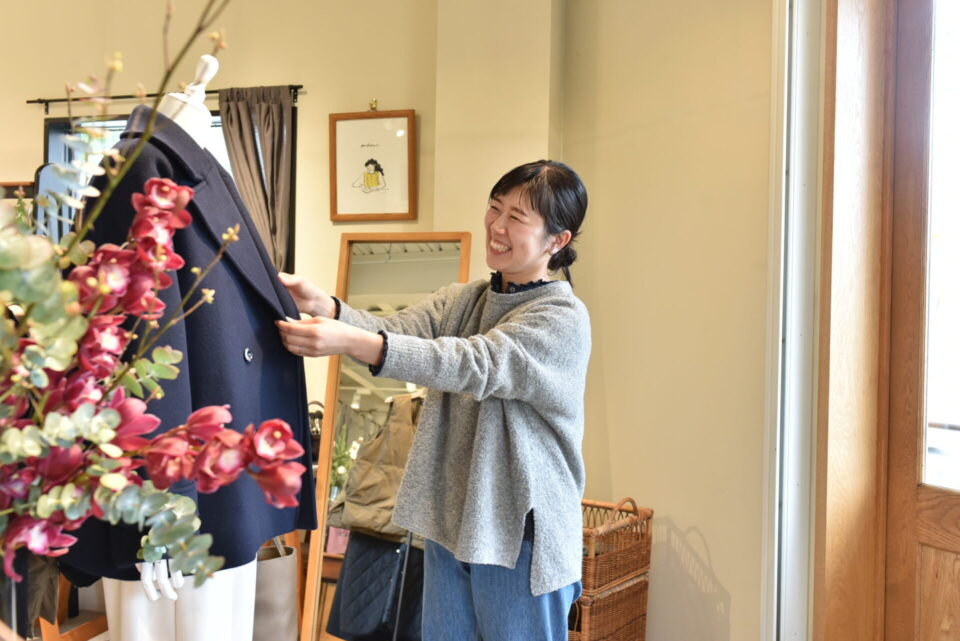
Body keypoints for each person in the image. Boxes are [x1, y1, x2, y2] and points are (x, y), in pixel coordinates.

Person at [278, 160, 591, 641]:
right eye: (494, 208)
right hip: (451, 520)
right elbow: (396, 330)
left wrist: (351, 341)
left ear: (557, 240)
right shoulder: (464, 299)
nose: (497, 226)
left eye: (517, 217)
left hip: (519, 532)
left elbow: (474, 363)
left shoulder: (561, 317)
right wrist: (326, 306)